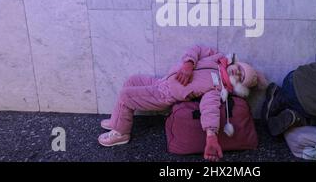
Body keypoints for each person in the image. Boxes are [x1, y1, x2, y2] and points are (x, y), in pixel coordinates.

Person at [98, 45, 267, 162]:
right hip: (162, 81)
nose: (237, 72)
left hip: (165, 94)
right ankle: (117, 121)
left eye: (240, 77)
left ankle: (121, 133)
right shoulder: (217, 58)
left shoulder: (217, 89)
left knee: (127, 95)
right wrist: (189, 63)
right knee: (132, 80)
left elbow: (210, 109)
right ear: (235, 62)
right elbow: (197, 49)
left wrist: (211, 135)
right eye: (240, 68)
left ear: (237, 86)